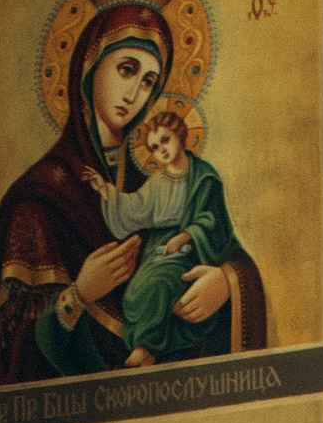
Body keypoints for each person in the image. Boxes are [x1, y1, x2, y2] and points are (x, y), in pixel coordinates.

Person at [0, 0, 267, 388]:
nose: (135, 94)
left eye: (149, 82)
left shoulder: (158, 181)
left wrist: (225, 284)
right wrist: (77, 295)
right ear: (90, 69)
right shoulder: (39, 199)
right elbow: (4, 357)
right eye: (126, 70)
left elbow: (224, 246)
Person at [96, 101, 241, 365]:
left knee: (161, 284)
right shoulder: (158, 181)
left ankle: (147, 346)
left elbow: (213, 221)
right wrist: (107, 193)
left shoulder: (204, 178)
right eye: (153, 146)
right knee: (134, 293)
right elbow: (136, 207)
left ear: (180, 136)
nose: (160, 149)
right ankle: (145, 345)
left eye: (165, 140)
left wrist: (186, 236)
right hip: (158, 249)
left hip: (194, 250)